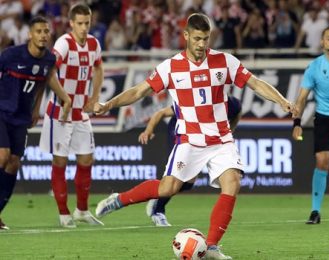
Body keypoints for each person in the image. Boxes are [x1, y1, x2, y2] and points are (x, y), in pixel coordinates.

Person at [94, 13, 294, 259]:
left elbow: (255, 83)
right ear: (186, 36)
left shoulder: (224, 62)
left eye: (206, 39)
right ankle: (119, 199)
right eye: (197, 38)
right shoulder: (171, 67)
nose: (202, 44)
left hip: (221, 139)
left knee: (232, 182)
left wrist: (282, 100)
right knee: (168, 188)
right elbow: (139, 90)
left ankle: (210, 247)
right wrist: (108, 104)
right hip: (189, 140)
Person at [0, 16, 71, 230]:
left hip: (21, 117)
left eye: (46, 31)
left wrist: (36, 108)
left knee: (14, 163)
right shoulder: (11, 55)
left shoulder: (49, 60)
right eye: (39, 31)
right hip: (2, 111)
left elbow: (44, 81)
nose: (43, 35)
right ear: (30, 34)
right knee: (3, 156)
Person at [39, 3, 104, 228]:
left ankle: (82, 211)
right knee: (60, 161)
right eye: (80, 23)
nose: (84, 28)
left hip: (79, 112)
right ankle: (64, 213)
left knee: (87, 158)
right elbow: (49, 71)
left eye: (87, 23)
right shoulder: (64, 43)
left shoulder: (94, 43)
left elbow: (98, 68)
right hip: (60, 111)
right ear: (71, 23)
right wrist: (64, 98)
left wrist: (94, 96)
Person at [139, 96, 242, 227]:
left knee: (187, 184)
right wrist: (148, 130)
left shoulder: (232, 104)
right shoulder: (197, 99)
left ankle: (158, 198)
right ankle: (158, 210)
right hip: (182, 134)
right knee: (181, 178)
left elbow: (237, 113)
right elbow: (162, 112)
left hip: (202, 137)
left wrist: (228, 133)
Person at [292, 27, 329, 224]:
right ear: (323, 43)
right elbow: (301, 98)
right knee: (322, 161)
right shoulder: (314, 67)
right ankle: (315, 211)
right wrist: (297, 122)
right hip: (324, 119)